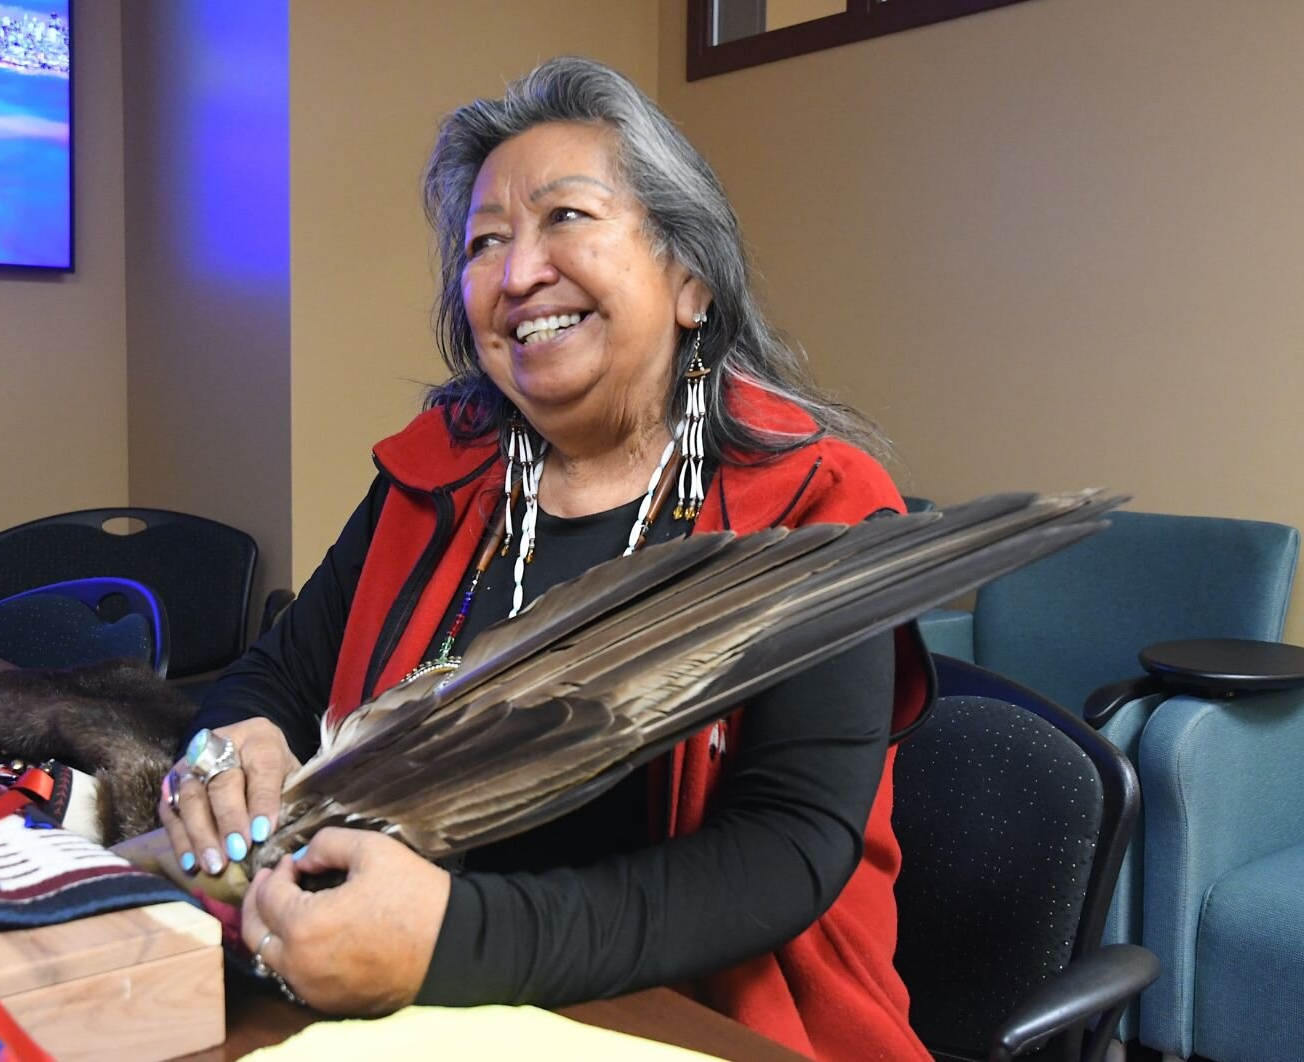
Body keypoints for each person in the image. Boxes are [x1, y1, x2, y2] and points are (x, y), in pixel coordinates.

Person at [162, 56, 934, 1061]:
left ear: (690, 277)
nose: (518, 273)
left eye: (566, 217)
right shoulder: (434, 475)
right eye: (485, 242)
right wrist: (233, 743)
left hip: (706, 1026)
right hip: (397, 1014)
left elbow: (782, 853)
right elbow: (278, 670)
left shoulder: (816, 507)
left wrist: (451, 943)